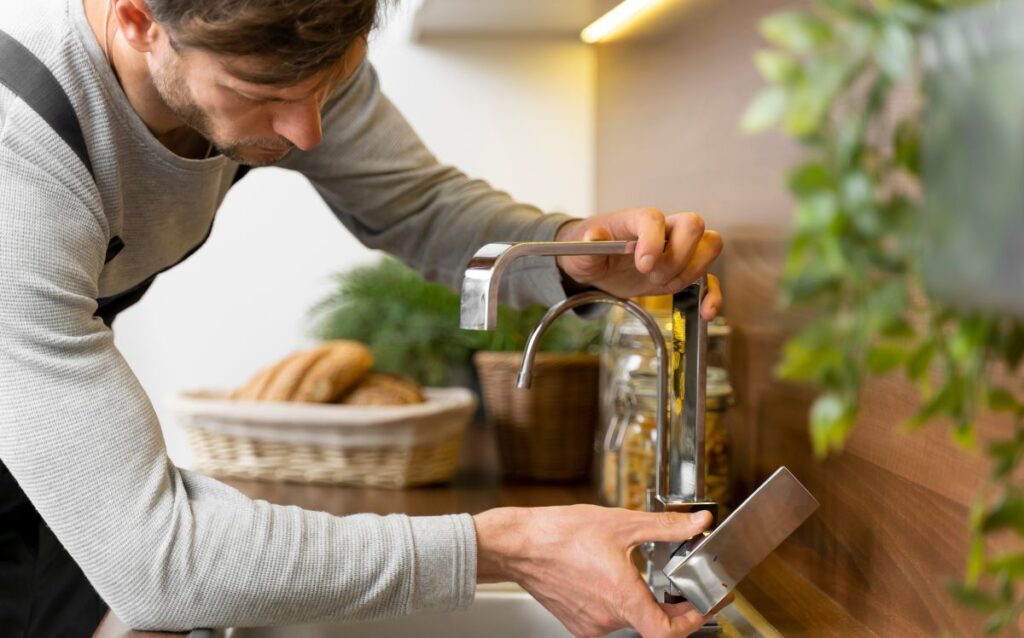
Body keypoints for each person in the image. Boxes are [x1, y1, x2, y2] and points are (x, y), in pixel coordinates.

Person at [0, 0, 725, 636]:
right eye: (263, 93)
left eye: (330, 83)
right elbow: (158, 561)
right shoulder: (18, 165)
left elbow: (414, 205)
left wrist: (568, 255)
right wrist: (499, 546)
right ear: (136, 19)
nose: (308, 131)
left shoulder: (287, 53)